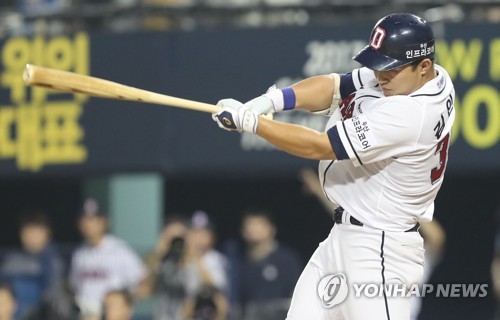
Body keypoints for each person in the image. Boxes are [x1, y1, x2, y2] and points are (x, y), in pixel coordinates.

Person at [212, 12, 455, 319]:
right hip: (343, 238)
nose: (381, 76)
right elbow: (336, 86)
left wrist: (253, 124)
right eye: (379, 66)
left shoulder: (412, 115)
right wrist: (272, 101)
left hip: (379, 251)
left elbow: (321, 146)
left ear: (423, 67)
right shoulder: (428, 77)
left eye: (391, 69)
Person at [69, 198, 147, 320]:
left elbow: (143, 282)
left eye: (93, 219)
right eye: (84, 219)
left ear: (104, 221)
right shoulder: (79, 253)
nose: (88, 224)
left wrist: (123, 304)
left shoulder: (120, 250)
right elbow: (75, 287)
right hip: (85, 313)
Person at [0, 212, 65, 320]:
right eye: (27, 231)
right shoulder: (12, 260)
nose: (31, 235)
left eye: (36, 230)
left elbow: (53, 296)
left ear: (47, 233)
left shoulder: (53, 261)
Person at [239, 210, 302, 320]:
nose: (253, 229)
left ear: (272, 229)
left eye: (259, 224)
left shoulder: (287, 259)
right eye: (249, 225)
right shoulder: (238, 260)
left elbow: (297, 292)